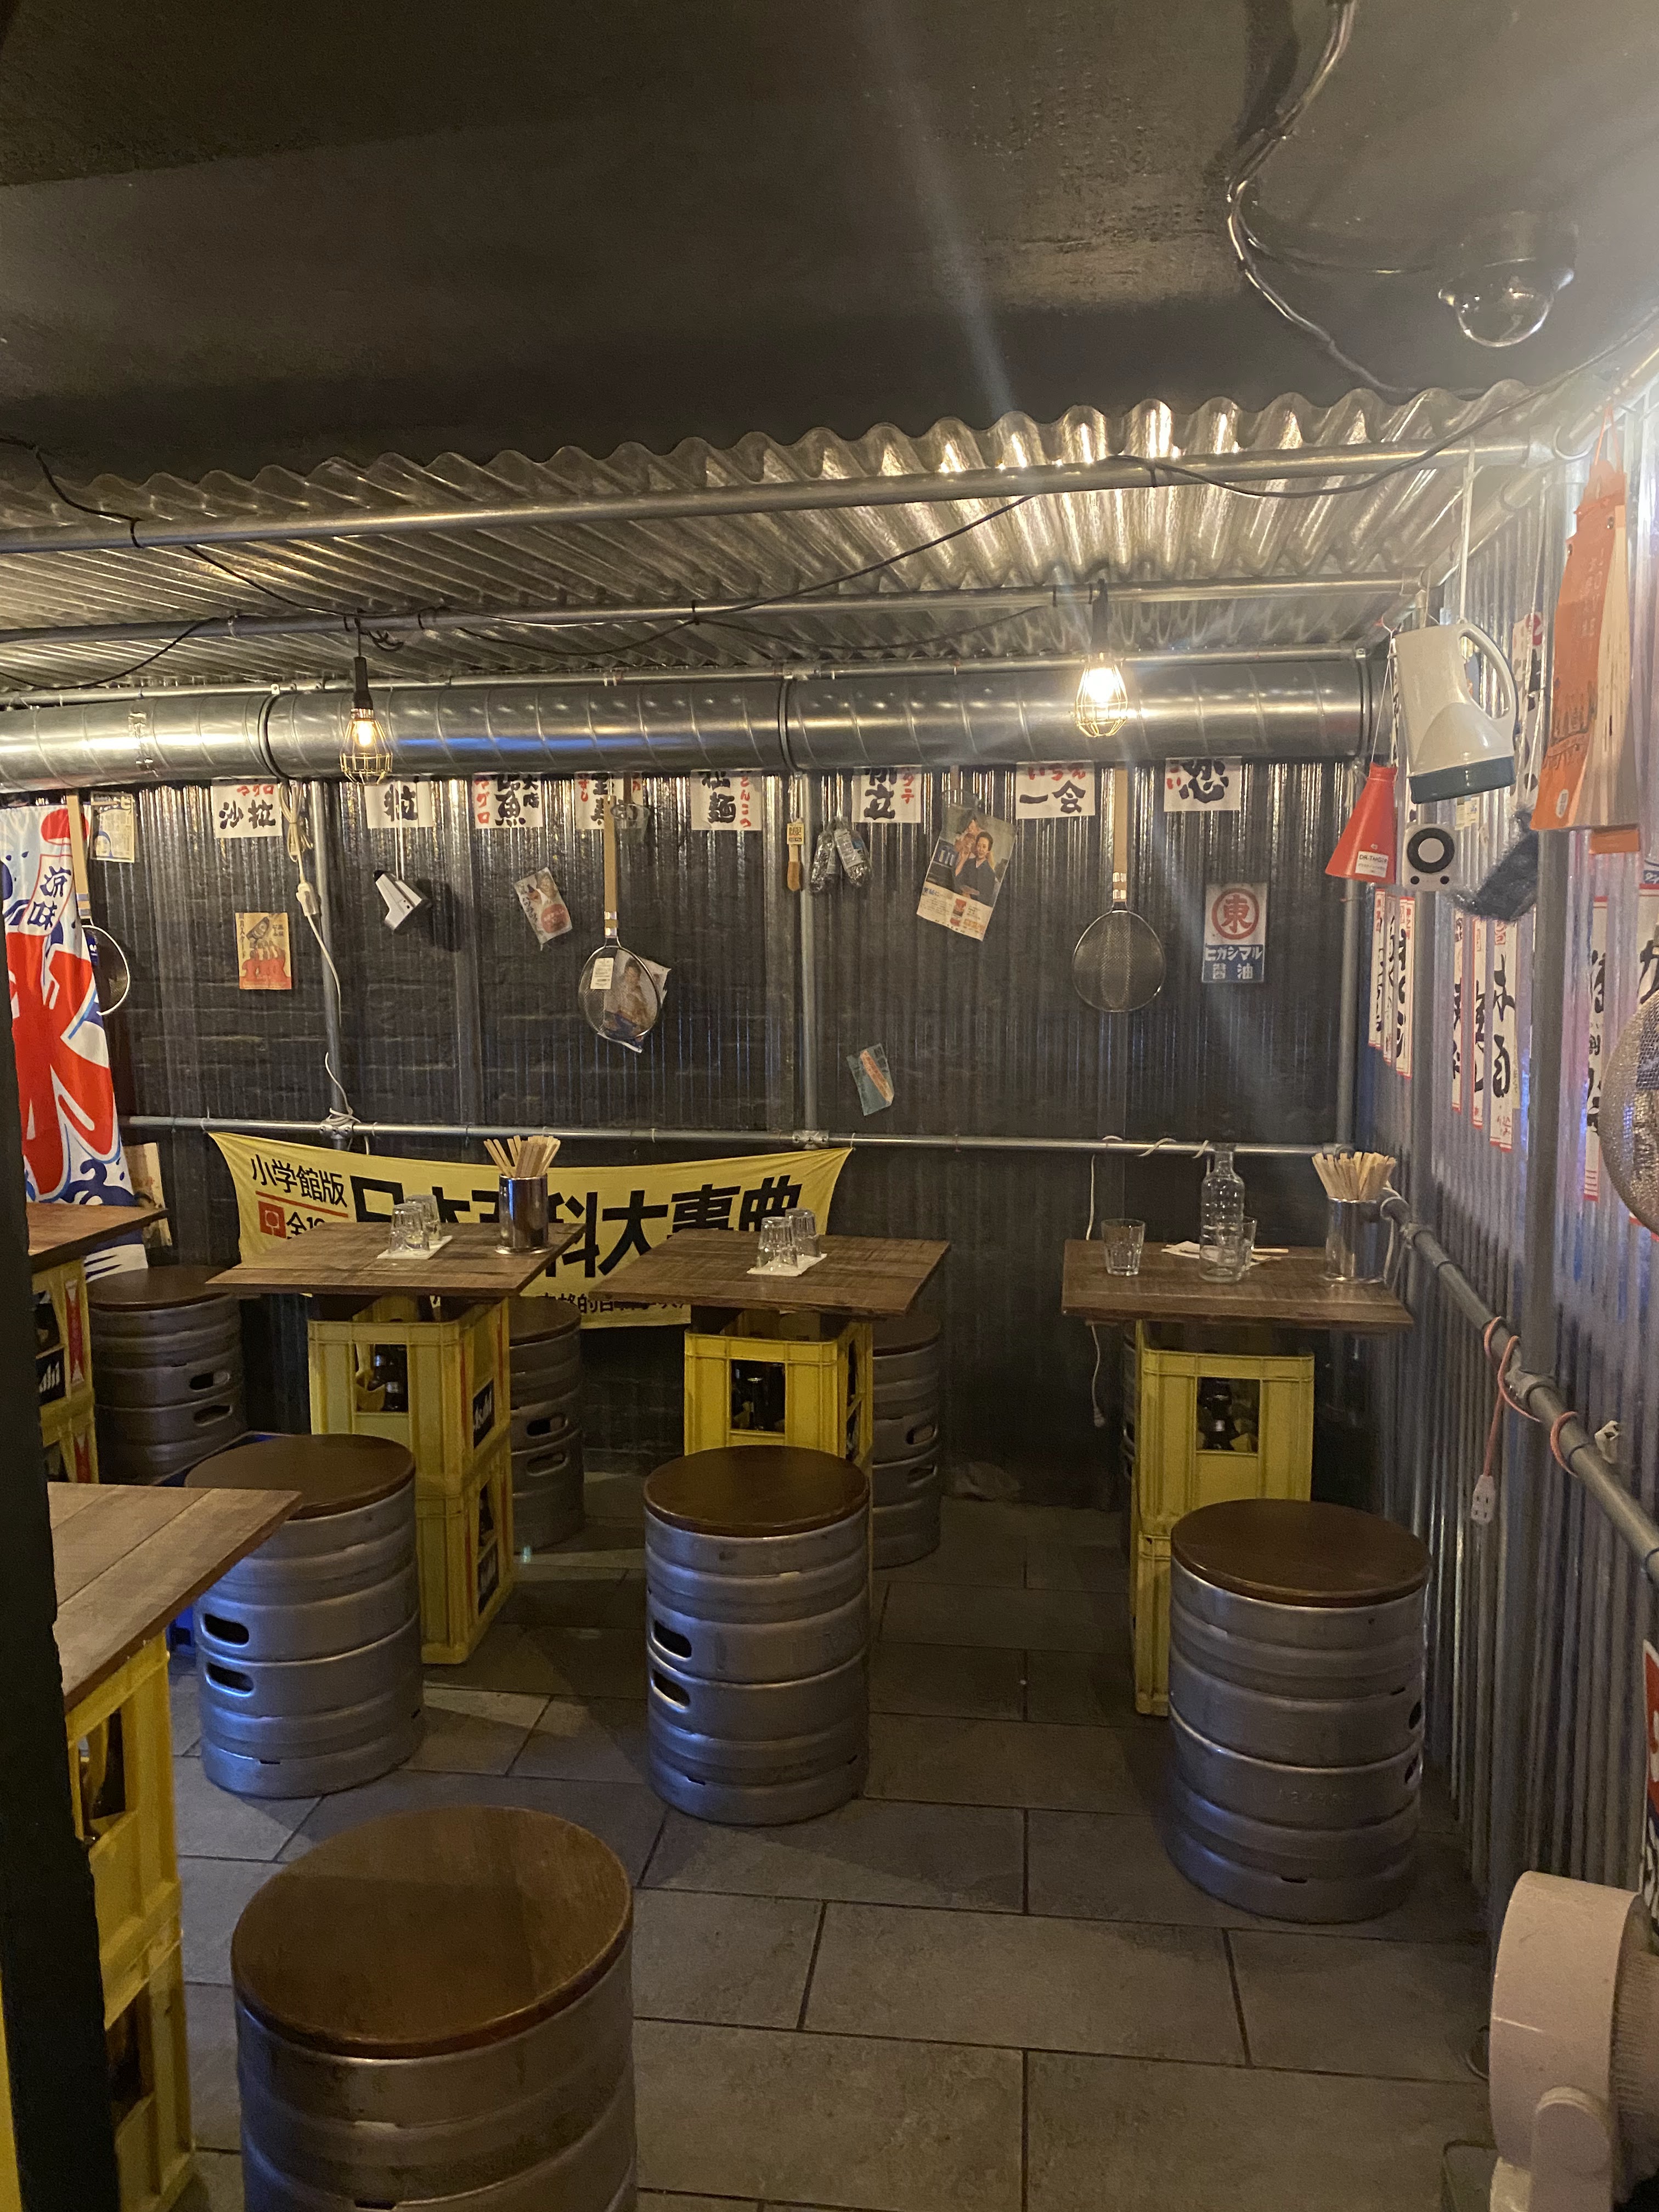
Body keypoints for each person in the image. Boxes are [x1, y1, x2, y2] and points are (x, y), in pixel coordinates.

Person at [955, 829, 999, 906]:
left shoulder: (990, 873)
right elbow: (957, 880)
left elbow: (987, 898)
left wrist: (970, 896)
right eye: (979, 846)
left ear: (988, 850)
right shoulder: (968, 863)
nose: (981, 850)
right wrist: (963, 859)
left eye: (984, 847)